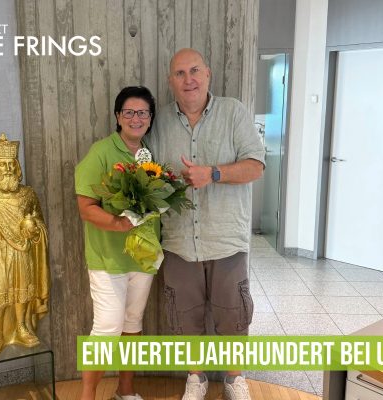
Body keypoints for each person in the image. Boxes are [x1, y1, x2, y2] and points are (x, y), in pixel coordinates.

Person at [147, 49, 265, 400]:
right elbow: (147, 172)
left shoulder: (233, 112)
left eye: (195, 71)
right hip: (179, 242)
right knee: (185, 317)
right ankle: (195, 379)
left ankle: (234, 380)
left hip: (226, 239)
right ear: (170, 81)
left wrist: (212, 174)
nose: (189, 80)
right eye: (180, 73)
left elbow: (256, 166)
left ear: (208, 74)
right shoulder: (160, 122)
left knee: (234, 316)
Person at [75, 86, 158, 400]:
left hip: (143, 256)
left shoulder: (150, 155)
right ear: (118, 117)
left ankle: (126, 391)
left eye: (143, 113)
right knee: (107, 329)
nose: (136, 118)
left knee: (133, 322)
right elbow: (86, 208)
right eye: (129, 112)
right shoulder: (101, 152)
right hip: (108, 258)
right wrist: (119, 223)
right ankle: (87, 397)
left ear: (150, 118)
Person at [0, 133, 50, 360]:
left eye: (11, 164)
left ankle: (21, 327)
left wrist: (33, 227)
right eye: (2, 164)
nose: (8, 169)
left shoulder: (28, 194)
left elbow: (40, 222)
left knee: (22, 290)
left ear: (17, 166)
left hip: (22, 251)